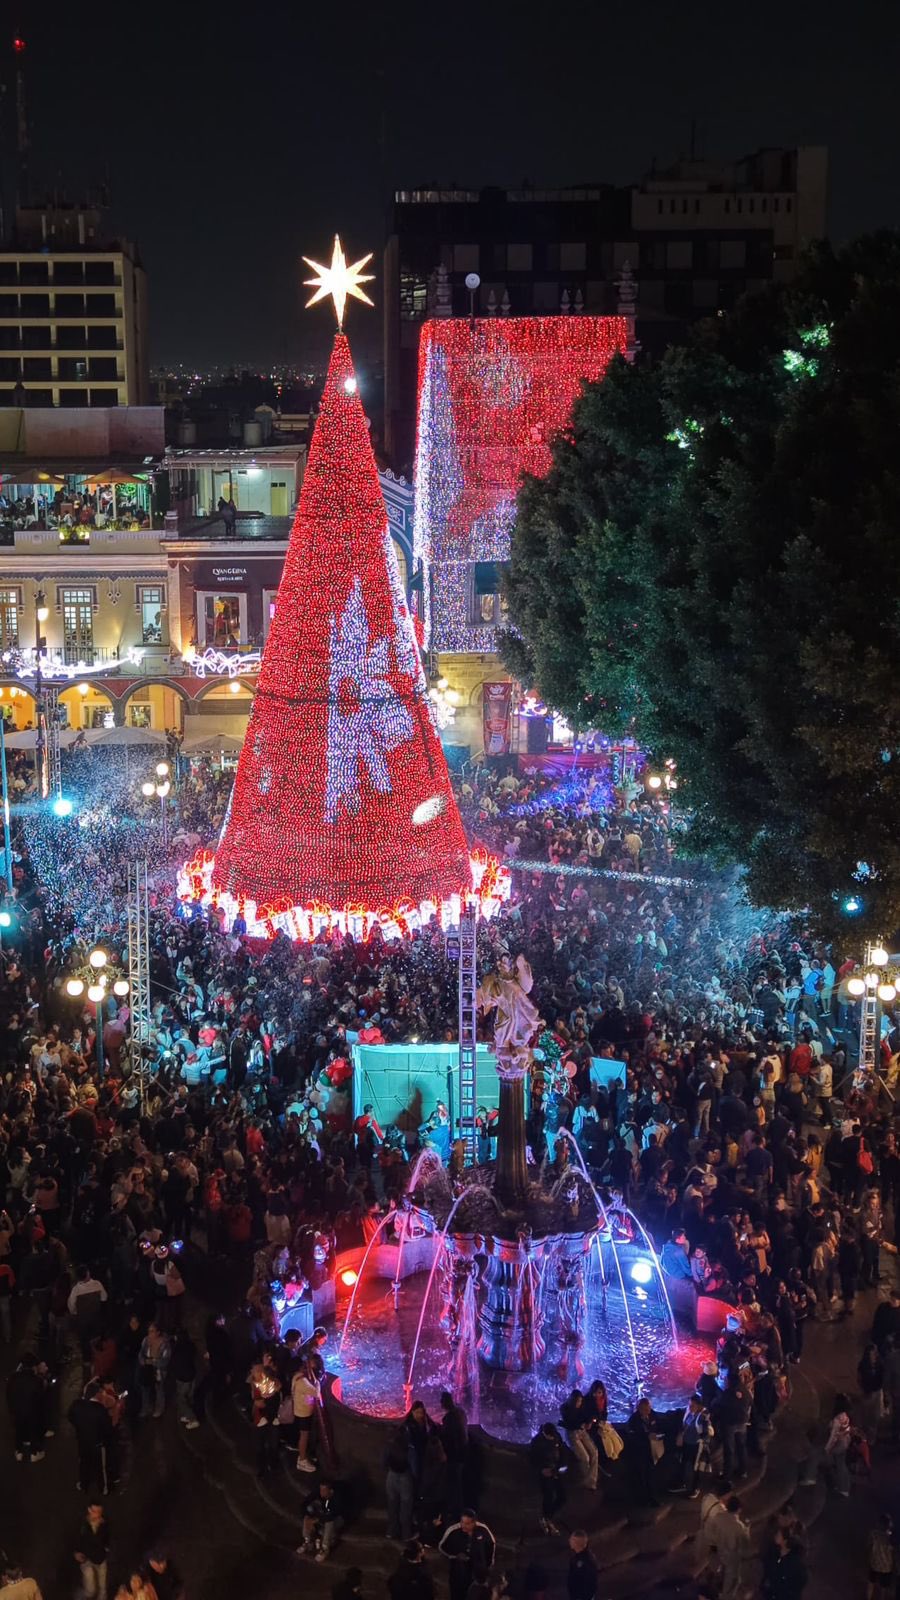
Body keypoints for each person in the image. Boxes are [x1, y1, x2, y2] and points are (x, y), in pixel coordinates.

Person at [438, 1511, 496, 1600]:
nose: (463, 1525)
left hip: (477, 1573)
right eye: (462, 1522)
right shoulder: (453, 1530)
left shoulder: (483, 1529)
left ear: (474, 1522)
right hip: (459, 1572)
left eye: (467, 1523)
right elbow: (442, 1547)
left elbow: (491, 1545)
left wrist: (488, 1565)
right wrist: (455, 1555)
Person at [6, 1352, 46, 1464]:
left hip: (17, 1410)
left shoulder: (13, 1377)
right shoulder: (37, 1380)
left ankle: (19, 1451)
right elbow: (40, 1399)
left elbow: (8, 1394)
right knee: (34, 1430)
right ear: (34, 1366)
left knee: (18, 1429)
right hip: (32, 1411)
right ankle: (34, 1453)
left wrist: (12, 1409)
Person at [530, 1423, 567, 1535]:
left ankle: (547, 1517)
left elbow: (563, 1453)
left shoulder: (557, 1437)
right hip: (545, 1474)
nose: (552, 1438)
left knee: (563, 1497)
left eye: (553, 1436)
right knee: (548, 1495)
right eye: (549, 1436)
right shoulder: (537, 1442)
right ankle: (547, 1519)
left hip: (556, 1471)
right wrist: (541, 1470)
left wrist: (558, 1468)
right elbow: (532, 1459)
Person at [298, 1477, 347, 1562]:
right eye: (321, 1489)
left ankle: (325, 1549)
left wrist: (316, 1520)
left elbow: (332, 1515)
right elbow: (304, 1504)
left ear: (330, 1491)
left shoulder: (337, 1498)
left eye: (324, 1490)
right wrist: (307, 1517)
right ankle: (307, 1541)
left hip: (338, 1519)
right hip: (323, 1516)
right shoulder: (318, 1493)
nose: (321, 1492)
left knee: (328, 1522)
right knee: (308, 1512)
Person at [559, 1388, 598, 1491]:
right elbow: (570, 1422)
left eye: (580, 1401)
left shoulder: (582, 1407)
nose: (579, 1403)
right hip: (572, 1434)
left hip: (582, 1431)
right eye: (578, 1401)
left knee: (594, 1452)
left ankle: (592, 1480)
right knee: (585, 1458)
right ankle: (588, 1482)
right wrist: (580, 1423)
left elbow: (590, 1415)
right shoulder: (565, 1408)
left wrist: (589, 1421)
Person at [384, 1424, 415, 1543]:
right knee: (406, 1506)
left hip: (391, 1476)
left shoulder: (389, 1445)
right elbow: (414, 1466)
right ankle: (406, 1534)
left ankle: (391, 1531)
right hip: (405, 1477)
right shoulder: (409, 1447)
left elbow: (383, 1461)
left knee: (392, 1504)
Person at [74, 1502, 110, 1600]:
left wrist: (107, 1549)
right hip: (87, 1559)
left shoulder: (105, 1524)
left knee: (103, 1590)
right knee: (90, 1590)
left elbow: (109, 1540)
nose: (97, 1514)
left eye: (99, 1512)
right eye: (95, 1511)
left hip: (101, 1559)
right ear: (89, 1510)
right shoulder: (82, 1524)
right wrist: (76, 1552)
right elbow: (76, 1539)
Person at [866, 1512, 896, 1600]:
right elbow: (893, 1550)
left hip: (874, 1563)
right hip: (886, 1567)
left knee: (871, 1584)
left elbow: (868, 1545)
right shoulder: (890, 1537)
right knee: (883, 1588)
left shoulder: (873, 1534)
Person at [566, 1532, 598, 1600]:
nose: (569, 1540)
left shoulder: (585, 1561)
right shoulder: (578, 1557)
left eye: (572, 1539)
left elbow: (588, 1583)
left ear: (577, 1543)